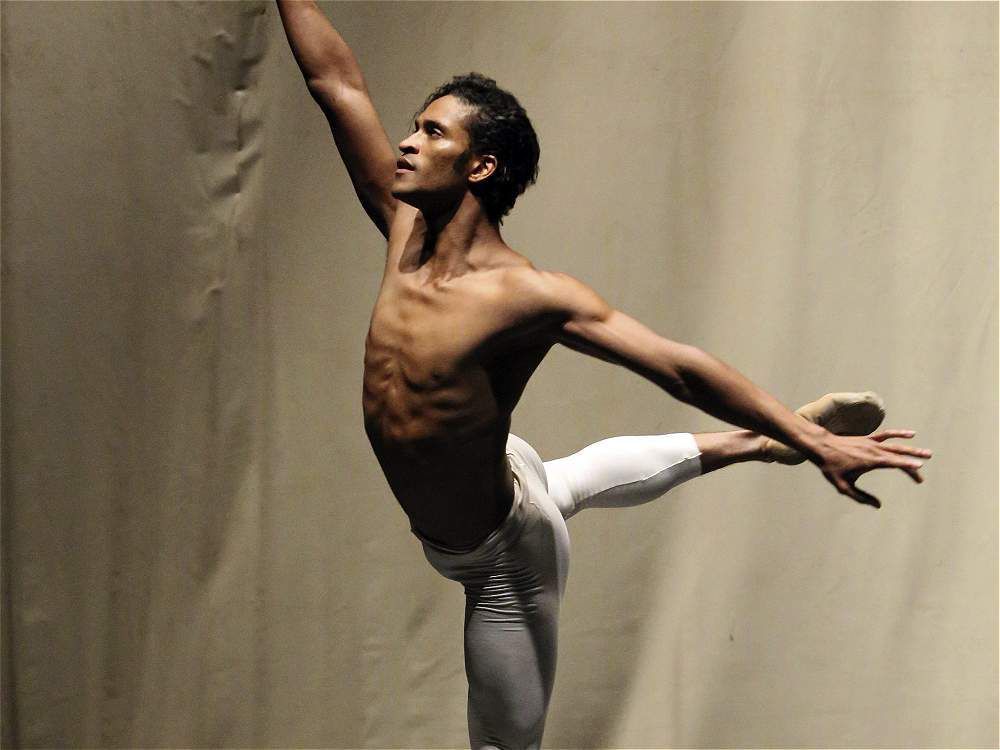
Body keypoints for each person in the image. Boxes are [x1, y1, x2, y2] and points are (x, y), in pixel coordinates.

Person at [275, 3, 932, 747]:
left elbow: (678, 365)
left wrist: (817, 445)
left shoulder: (529, 295)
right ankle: (759, 443)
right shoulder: (402, 230)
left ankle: (777, 437)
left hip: (501, 557)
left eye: (431, 132)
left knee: (503, 741)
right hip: (498, 472)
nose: (405, 140)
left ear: (480, 165)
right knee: (562, 478)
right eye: (413, 125)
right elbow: (335, 80)